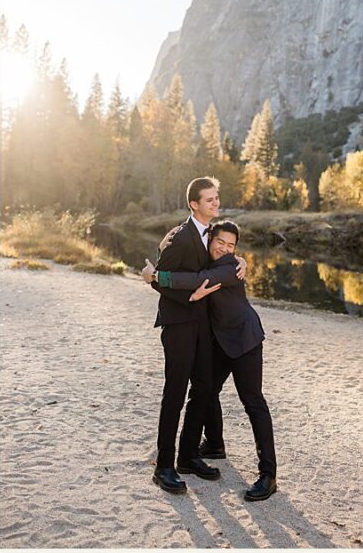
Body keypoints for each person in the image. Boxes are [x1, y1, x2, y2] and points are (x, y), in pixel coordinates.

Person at [145, 221, 277, 502]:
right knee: (204, 390)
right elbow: (179, 257)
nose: (226, 249)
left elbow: (196, 281)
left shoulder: (230, 267)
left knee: (253, 401)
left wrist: (157, 277)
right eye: (221, 242)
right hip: (219, 342)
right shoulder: (205, 255)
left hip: (244, 340)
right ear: (210, 240)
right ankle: (209, 447)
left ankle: (268, 475)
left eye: (232, 246)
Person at [146, 176, 240, 494]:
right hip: (178, 324)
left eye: (217, 197)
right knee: (174, 393)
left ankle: (188, 457)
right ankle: (164, 466)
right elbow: (159, 280)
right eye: (209, 199)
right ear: (194, 204)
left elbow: (222, 256)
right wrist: (192, 297)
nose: (215, 202)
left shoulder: (211, 234)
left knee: (203, 389)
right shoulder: (179, 236)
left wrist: (238, 260)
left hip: (203, 326)